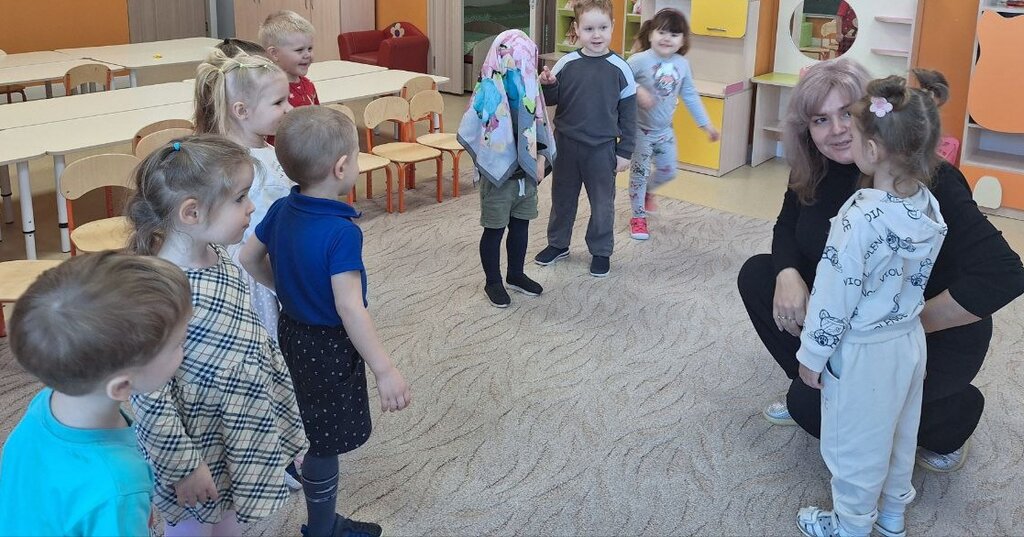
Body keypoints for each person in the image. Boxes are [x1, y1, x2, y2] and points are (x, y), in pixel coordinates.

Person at [737, 57, 1024, 473]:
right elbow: (787, 227)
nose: (836, 130)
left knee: (811, 413)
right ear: (806, 128)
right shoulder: (813, 168)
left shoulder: (927, 179)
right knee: (758, 275)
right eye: (820, 119)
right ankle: (815, 384)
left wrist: (902, 324)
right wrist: (787, 273)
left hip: (929, 334)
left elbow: (1004, 273)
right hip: (856, 322)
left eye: (846, 114)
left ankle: (955, 413)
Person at [239, 107, 411, 537]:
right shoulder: (341, 232)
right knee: (322, 441)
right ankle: (321, 527)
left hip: (291, 334)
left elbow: (248, 257)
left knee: (307, 423)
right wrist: (384, 369)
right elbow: (350, 308)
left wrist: (283, 288)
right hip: (328, 348)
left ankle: (321, 519)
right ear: (341, 167)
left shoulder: (281, 208)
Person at [125, 135, 308, 536]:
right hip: (197, 443)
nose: (251, 207)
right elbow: (147, 396)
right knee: (194, 525)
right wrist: (184, 467)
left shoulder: (218, 254)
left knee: (230, 517)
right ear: (191, 212)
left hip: (235, 426)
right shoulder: (159, 293)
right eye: (240, 198)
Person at [793, 73, 949, 537]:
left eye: (856, 131)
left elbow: (833, 295)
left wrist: (812, 355)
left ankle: (851, 526)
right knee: (900, 432)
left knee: (854, 446)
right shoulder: (926, 205)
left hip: (863, 350)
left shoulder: (859, 216)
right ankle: (893, 516)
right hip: (909, 342)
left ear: (874, 150)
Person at [0, 253, 191, 537]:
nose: (185, 349)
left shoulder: (46, 405)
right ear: (122, 387)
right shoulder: (118, 487)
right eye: (179, 343)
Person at [194, 48, 293, 342]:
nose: (289, 108)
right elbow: (252, 225)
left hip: (271, 255)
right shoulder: (240, 164)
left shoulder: (264, 149)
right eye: (278, 102)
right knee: (267, 336)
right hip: (257, 267)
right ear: (242, 111)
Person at [535, 0, 637, 277]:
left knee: (602, 204)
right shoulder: (565, 64)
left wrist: (625, 151)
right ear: (576, 30)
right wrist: (548, 85)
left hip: (602, 150)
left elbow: (629, 115)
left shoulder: (621, 68)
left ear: (612, 27)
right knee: (562, 199)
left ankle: (601, 250)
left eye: (602, 28)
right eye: (589, 29)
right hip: (566, 146)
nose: (596, 35)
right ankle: (558, 244)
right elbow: (550, 101)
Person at [457, 29, 556, 307]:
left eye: (525, 66)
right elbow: (478, 130)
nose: (520, 73)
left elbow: (540, 126)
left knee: (521, 226)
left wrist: (541, 159)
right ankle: (493, 281)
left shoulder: (530, 90)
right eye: (514, 67)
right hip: (498, 178)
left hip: (525, 177)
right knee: (495, 228)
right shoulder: (489, 89)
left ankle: (515, 273)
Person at [626, 8, 719, 240]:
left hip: (665, 131)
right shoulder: (638, 60)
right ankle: (638, 217)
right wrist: (638, 90)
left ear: (683, 40)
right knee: (639, 173)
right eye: (662, 32)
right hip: (640, 130)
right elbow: (619, 80)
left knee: (668, 171)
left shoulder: (682, 64)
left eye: (674, 34)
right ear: (651, 34)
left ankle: (648, 191)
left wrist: (706, 125)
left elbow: (690, 95)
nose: (667, 38)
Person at [259, 10, 319, 109]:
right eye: (299, 50)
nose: (307, 55)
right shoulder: (271, 93)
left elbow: (317, 115)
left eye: (310, 49)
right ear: (274, 53)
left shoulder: (308, 85)